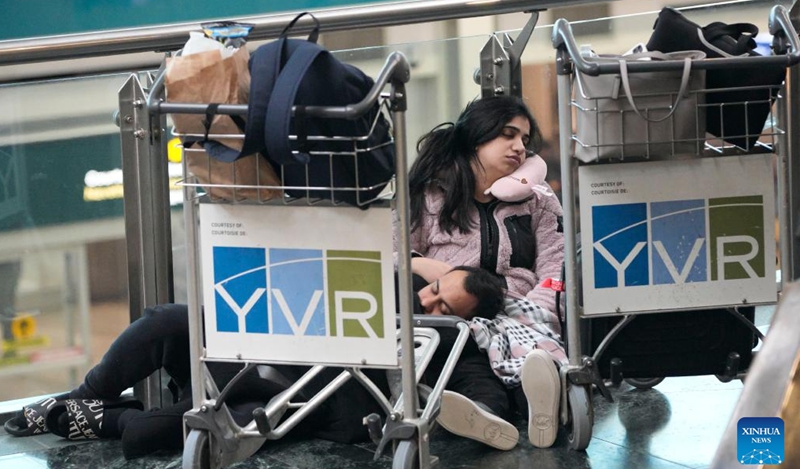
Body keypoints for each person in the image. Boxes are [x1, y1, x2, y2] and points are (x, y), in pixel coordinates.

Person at [5, 265, 509, 458]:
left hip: (288, 403)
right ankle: (81, 399)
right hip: (250, 352)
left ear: (468, 323)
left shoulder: (453, 348)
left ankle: (99, 417)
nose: (430, 304)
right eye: (436, 290)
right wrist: (420, 265)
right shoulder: (383, 279)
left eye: (446, 309)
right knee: (166, 321)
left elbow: (485, 405)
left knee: (162, 434)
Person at [401, 95, 567, 449]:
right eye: (508, 134)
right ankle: (484, 414)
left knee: (530, 359)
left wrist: (538, 310)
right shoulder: (430, 195)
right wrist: (420, 263)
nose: (519, 147)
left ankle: (542, 409)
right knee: (471, 362)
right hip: (450, 316)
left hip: (515, 312)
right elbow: (390, 252)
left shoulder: (539, 201)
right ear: (477, 136)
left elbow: (555, 267)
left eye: (524, 139)